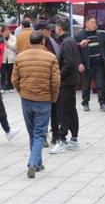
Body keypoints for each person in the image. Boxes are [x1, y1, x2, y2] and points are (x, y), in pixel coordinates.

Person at [12, 30, 60, 178]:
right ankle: (33, 163)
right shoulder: (51, 57)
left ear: (29, 42)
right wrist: (53, 97)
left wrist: (22, 92)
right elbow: (56, 81)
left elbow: (14, 79)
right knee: (39, 133)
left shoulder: (20, 57)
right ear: (43, 42)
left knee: (32, 132)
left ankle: (38, 164)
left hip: (26, 100)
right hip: (43, 100)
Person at [49, 19, 81, 153]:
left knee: (64, 111)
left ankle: (62, 139)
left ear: (59, 27)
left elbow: (68, 63)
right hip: (70, 81)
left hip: (66, 82)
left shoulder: (66, 42)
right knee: (70, 110)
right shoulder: (70, 40)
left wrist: (58, 76)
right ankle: (74, 139)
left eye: (56, 27)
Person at [76, 16, 105, 112]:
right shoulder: (80, 35)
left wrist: (104, 58)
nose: (94, 24)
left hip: (99, 64)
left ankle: (103, 103)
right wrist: (80, 63)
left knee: (100, 84)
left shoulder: (99, 35)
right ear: (86, 23)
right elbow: (76, 50)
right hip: (87, 64)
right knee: (86, 85)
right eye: (92, 22)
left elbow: (104, 46)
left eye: (95, 22)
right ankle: (85, 103)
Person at [35, 20, 60, 146]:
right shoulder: (34, 44)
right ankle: (43, 136)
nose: (49, 31)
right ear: (40, 30)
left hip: (52, 83)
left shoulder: (52, 41)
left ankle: (55, 135)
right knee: (42, 113)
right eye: (47, 29)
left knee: (55, 111)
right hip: (40, 83)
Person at [1, 25, 16, 92]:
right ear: (2, 32)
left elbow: (15, 47)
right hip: (3, 58)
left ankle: (11, 86)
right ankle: (2, 87)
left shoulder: (14, 38)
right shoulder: (1, 38)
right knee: (3, 73)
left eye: (8, 30)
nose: (7, 32)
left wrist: (8, 44)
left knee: (10, 73)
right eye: (5, 31)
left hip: (11, 58)